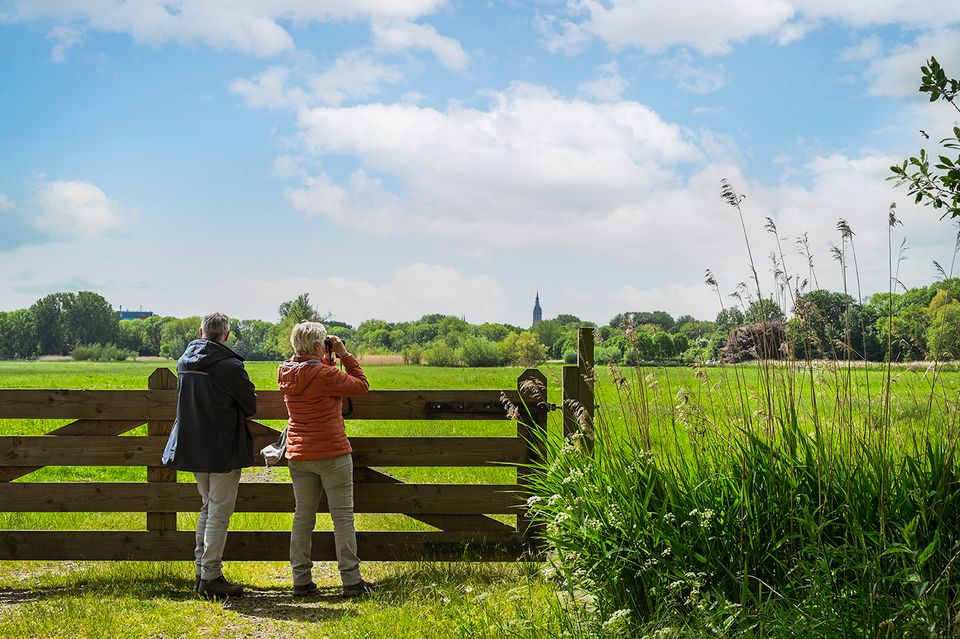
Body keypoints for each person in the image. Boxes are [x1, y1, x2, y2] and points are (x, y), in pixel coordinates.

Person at [161, 312, 256, 598]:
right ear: (226, 335)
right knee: (219, 511)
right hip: (223, 445)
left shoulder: (184, 362)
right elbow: (250, 405)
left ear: (201, 331)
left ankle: (201, 572)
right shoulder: (229, 366)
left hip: (194, 445)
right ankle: (211, 577)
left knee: (207, 507)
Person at [278, 321, 375, 598]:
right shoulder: (326, 375)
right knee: (342, 517)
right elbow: (361, 385)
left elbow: (311, 376)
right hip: (332, 452)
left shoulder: (285, 372)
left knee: (303, 516)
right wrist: (344, 355)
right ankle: (351, 580)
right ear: (319, 345)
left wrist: (328, 360)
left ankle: (301, 580)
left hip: (299, 453)